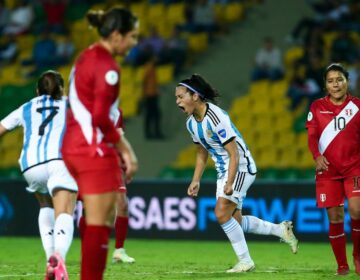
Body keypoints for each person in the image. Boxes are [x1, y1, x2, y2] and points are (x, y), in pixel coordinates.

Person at [175, 74, 299, 273]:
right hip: (223, 170)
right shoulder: (191, 123)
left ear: (195, 96)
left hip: (241, 166)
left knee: (221, 213)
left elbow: (234, 153)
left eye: (181, 97)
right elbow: (201, 151)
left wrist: (230, 182)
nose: (177, 101)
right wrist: (196, 179)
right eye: (176, 98)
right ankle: (280, 230)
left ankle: (246, 261)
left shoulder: (216, 117)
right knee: (235, 221)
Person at [61, 6, 138, 280]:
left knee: (96, 221)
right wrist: (126, 149)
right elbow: (101, 117)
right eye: (132, 36)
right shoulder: (108, 68)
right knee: (100, 223)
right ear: (117, 35)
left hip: (71, 145)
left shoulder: (85, 57)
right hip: (91, 149)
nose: (134, 43)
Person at [0, 70, 78, 280]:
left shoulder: (26, 107)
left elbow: (1, 128)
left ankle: (49, 261)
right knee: (65, 211)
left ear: (37, 90)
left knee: (45, 206)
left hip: (31, 165)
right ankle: (59, 257)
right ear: (62, 89)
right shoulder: (70, 103)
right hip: (60, 160)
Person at [306, 63, 360, 276]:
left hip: (354, 168)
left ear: (347, 81)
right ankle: (342, 265)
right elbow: (312, 137)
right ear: (325, 85)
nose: (336, 84)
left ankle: (358, 254)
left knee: (357, 210)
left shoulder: (357, 106)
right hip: (328, 171)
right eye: (331, 81)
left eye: (340, 79)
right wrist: (317, 156)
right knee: (336, 217)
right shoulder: (317, 107)